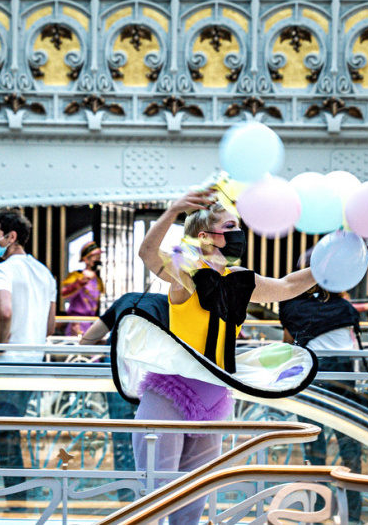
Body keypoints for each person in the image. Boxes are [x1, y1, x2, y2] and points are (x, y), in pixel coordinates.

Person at [121, 189, 319, 525]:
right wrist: (173, 211)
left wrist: (328, 265)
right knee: (156, 495)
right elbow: (148, 254)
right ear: (205, 235)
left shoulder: (240, 280)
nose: (238, 234)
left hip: (213, 397)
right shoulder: (186, 270)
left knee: (195, 494)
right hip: (170, 392)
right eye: (230, 226)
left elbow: (286, 287)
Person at [0, 209, 57, 509]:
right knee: (12, 428)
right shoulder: (44, 273)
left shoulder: (1, 271)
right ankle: (20, 493)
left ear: (10, 237)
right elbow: (50, 326)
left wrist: (1, 344)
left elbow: (5, 311)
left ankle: (17, 498)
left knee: (3, 431)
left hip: (6, 363)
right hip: (34, 361)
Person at [279, 286, 364, 523]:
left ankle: (317, 514)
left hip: (311, 380)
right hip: (343, 381)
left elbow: (288, 344)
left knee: (314, 452)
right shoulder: (346, 308)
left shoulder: (292, 307)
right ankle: (352, 517)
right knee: (351, 451)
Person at [80, 292, 169, 499]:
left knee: (122, 434)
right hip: (155, 375)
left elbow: (86, 341)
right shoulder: (170, 304)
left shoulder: (125, 299)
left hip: (119, 375)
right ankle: (153, 495)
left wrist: (109, 342)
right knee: (155, 434)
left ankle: (126, 498)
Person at [61, 240, 104, 337]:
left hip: (91, 322)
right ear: (86, 259)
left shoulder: (98, 280)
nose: (98, 260)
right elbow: (64, 294)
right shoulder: (76, 276)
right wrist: (79, 284)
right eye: (95, 258)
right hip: (77, 322)